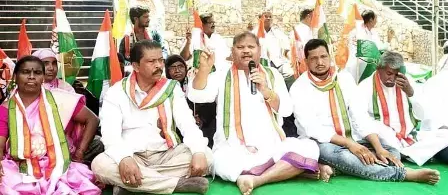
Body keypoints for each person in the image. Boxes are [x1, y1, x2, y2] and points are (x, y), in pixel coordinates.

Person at [291, 39, 440, 185]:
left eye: (323, 56)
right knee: (345, 158)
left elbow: (358, 115)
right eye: (314, 58)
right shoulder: (299, 88)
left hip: (353, 137)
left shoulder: (344, 78)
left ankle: (337, 168)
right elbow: (314, 129)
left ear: (330, 57)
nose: (320, 62)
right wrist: (350, 144)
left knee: (391, 152)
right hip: (323, 143)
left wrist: (378, 148)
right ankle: (402, 174)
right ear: (306, 61)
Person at [189, 32, 321, 195]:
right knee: (221, 162)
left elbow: (286, 110)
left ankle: (256, 179)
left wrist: (266, 91)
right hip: (233, 147)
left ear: (259, 50)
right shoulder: (221, 75)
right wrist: (204, 70)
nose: (246, 51)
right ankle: (291, 168)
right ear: (232, 51)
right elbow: (197, 96)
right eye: (240, 47)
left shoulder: (273, 74)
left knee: (309, 147)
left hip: (272, 145)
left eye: (251, 47)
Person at [92, 40, 213, 195]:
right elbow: (110, 135)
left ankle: (133, 183)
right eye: (151, 61)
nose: (159, 66)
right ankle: (177, 184)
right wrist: (124, 158)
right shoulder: (117, 93)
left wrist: (198, 152)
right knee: (100, 165)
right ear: (135, 66)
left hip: (167, 155)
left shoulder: (171, 89)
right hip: (132, 155)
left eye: (161, 60)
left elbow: (188, 125)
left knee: (206, 156)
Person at [0, 55, 100, 194]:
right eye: (25, 72)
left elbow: (92, 119)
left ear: (42, 78)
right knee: (7, 181)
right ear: (15, 77)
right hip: (19, 165)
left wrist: (80, 152)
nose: (31, 76)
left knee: (72, 182)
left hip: (58, 160)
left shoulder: (59, 98)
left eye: (37, 73)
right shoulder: (6, 108)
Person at [358, 51, 448, 166]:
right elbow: (361, 119)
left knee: (446, 135)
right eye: (389, 73)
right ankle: (412, 153)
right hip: (385, 135)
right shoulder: (365, 86)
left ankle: (404, 154)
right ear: (379, 68)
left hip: (409, 135)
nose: (392, 78)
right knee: (379, 128)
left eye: (396, 74)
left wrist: (411, 93)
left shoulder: (406, 82)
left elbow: (422, 116)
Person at [166, 54, 216, 148]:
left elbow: (208, 104)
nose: (177, 70)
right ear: (167, 71)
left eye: (180, 66)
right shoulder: (164, 88)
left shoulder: (193, 82)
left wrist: (201, 118)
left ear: (185, 68)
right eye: (173, 67)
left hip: (203, 125)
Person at [346, 9, 388, 84]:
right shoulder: (357, 32)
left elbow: (378, 45)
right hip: (360, 61)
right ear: (371, 20)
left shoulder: (373, 32)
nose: (376, 21)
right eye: (376, 19)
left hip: (372, 59)